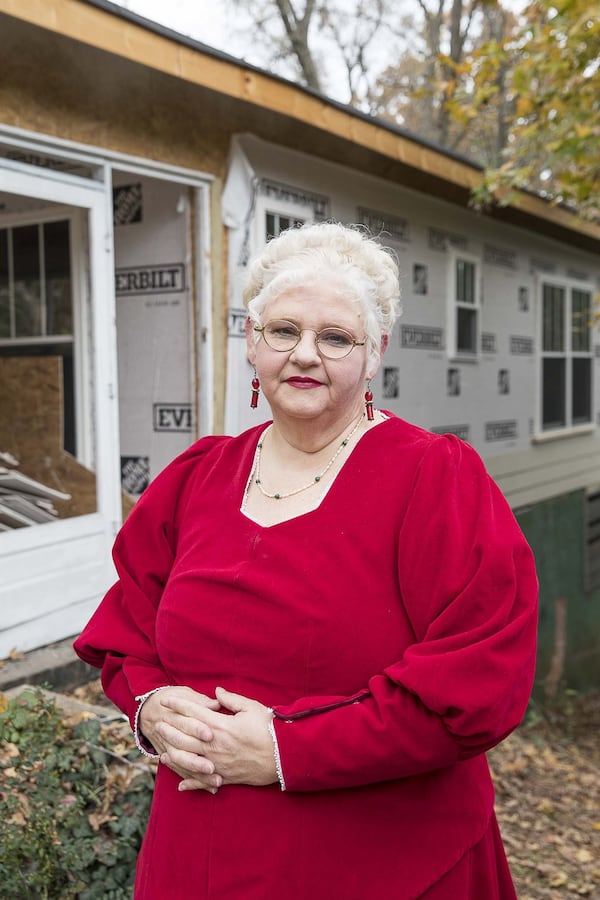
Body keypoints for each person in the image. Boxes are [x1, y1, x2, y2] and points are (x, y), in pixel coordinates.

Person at [74, 222, 538, 900]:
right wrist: (148, 709)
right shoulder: (198, 476)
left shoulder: (434, 480)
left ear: (375, 353)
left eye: (336, 338)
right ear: (253, 345)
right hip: (197, 857)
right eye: (283, 331)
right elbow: (126, 635)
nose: (305, 356)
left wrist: (287, 750)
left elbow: (475, 688)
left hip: (379, 864)